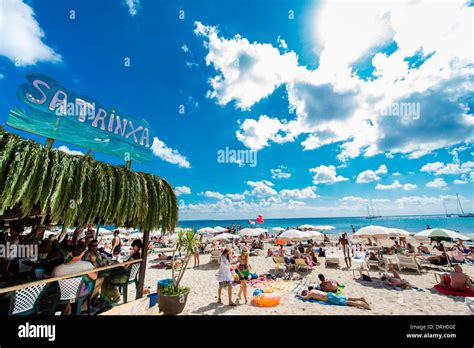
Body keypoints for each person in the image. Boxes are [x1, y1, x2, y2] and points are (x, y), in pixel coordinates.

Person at [52, 244, 98, 315]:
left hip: (62, 292)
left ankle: (68, 307)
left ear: (71, 253)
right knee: (100, 280)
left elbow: (52, 279)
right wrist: (94, 263)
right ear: (82, 253)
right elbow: (94, 277)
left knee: (67, 283)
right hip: (78, 293)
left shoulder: (57, 268)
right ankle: (84, 305)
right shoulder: (86, 265)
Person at [299, 288, 370, 310]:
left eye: (305, 293)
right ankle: (360, 299)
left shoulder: (310, 294)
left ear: (306, 292)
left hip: (330, 298)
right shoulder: (313, 290)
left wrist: (298, 295)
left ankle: (363, 305)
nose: (306, 295)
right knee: (346, 298)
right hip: (330, 294)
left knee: (346, 302)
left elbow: (305, 298)